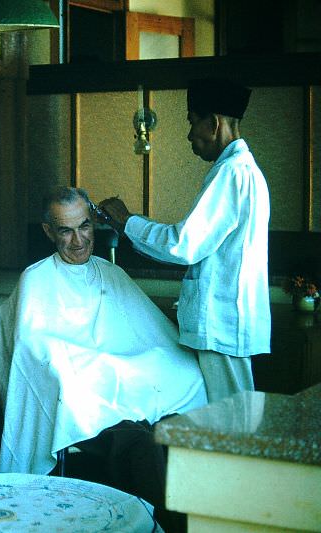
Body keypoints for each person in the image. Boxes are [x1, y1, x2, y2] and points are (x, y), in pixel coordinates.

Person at [0, 186, 207, 532]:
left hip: (129, 392)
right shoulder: (36, 280)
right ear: (49, 232)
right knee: (141, 445)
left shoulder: (111, 274)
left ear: (94, 224)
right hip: (87, 403)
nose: (78, 240)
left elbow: (154, 335)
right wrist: (93, 366)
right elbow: (33, 351)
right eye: (66, 230)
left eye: (84, 227)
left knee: (176, 401)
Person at [99, 77, 270, 403]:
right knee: (229, 418)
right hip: (225, 320)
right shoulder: (241, 170)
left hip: (222, 322)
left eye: (193, 123)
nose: (190, 134)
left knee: (231, 423)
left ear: (214, 123)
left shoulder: (232, 173)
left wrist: (127, 222)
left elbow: (184, 244)